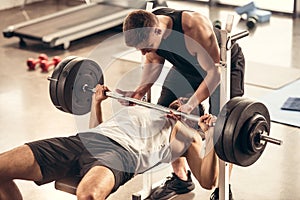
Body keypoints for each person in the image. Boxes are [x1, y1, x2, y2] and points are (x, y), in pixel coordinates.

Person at [0, 84, 218, 200]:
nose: (180, 103)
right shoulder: (142, 108)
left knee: (88, 195)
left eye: (187, 104)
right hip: (85, 142)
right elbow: (97, 129)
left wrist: (211, 136)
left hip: (122, 155)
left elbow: (209, 181)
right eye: (179, 100)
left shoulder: (188, 136)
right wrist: (97, 102)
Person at [121, 7, 245, 200]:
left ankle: (223, 188)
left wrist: (191, 104)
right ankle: (181, 178)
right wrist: (139, 92)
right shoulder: (152, 26)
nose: (144, 52)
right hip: (184, 67)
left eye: (146, 46)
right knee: (164, 115)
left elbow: (214, 74)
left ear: (158, 31)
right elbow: (153, 61)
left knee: (224, 125)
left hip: (221, 67)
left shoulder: (193, 27)